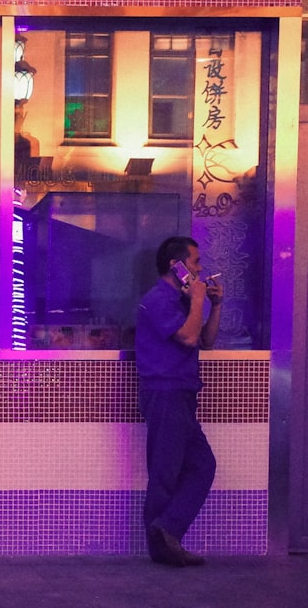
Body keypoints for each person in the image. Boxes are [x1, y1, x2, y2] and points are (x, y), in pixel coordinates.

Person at [135, 236, 224, 567]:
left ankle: (165, 530)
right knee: (165, 471)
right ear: (178, 265)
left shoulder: (184, 300)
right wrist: (198, 299)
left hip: (183, 393)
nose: (201, 270)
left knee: (202, 465)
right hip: (165, 392)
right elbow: (187, 337)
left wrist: (214, 304)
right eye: (196, 262)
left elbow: (206, 340)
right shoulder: (158, 300)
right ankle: (162, 544)